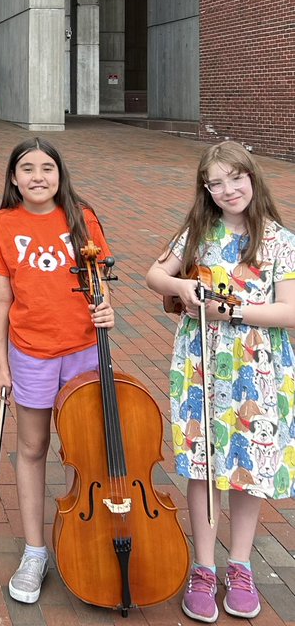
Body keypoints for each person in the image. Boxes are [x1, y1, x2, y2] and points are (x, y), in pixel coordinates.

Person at [145, 141, 295, 623]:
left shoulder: (278, 240)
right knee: (204, 463)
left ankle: (241, 564)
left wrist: (230, 310)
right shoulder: (198, 231)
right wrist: (179, 286)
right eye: (216, 182)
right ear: (205, 189)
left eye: (236, 177)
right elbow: (153, 275)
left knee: (248, 463)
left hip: (258, 366)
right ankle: (204, 568)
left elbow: (290, 312)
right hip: (201, 363)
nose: (229, 189)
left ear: (253, 177)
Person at [0, 138, 114, 605]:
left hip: (84, 351)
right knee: (32, 448)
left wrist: (107, 309)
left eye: (48, 167)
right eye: (28, 168)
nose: (38, 176)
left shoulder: (82, 217)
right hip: (30, 352)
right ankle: (35, 551)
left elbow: (100, 285)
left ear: (60, 173)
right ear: (13, 178)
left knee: (89, 447)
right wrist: (0, 365)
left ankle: (89, 532)